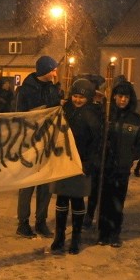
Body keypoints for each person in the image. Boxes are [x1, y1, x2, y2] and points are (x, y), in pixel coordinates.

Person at [49, 79, 101, 255]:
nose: (77, 100)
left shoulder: (92, 115)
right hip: (65, 161)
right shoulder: (65, 111)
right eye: (75, 96)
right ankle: (60, 236)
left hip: (82, 163)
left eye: (81, 97)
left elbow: (96, 142)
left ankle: (76, 238)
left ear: (88, 98)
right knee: (62, 200)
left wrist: (89, 162)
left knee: (77, 201)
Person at [14, 55, 61, 238]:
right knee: (27, 185)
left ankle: (41, 221)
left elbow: (55, 110)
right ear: (45, 71)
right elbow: (19, 116)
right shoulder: (25, 91)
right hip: (29, 142)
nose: (56, 72)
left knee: (45, 185)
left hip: (47, 141)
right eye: (53, 69)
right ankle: (23, 223)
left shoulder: (52, 89)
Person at [96, 82, 140, 247]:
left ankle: (114, 233)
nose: (123, 100)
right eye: (120, 96)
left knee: (118, 201)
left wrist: (130, 157)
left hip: (122, 168)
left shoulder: (136, 121)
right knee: (104, 200)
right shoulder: (107, 116)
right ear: (114, 97)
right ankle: (103, 233)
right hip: (106, 166)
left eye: (126, 97)